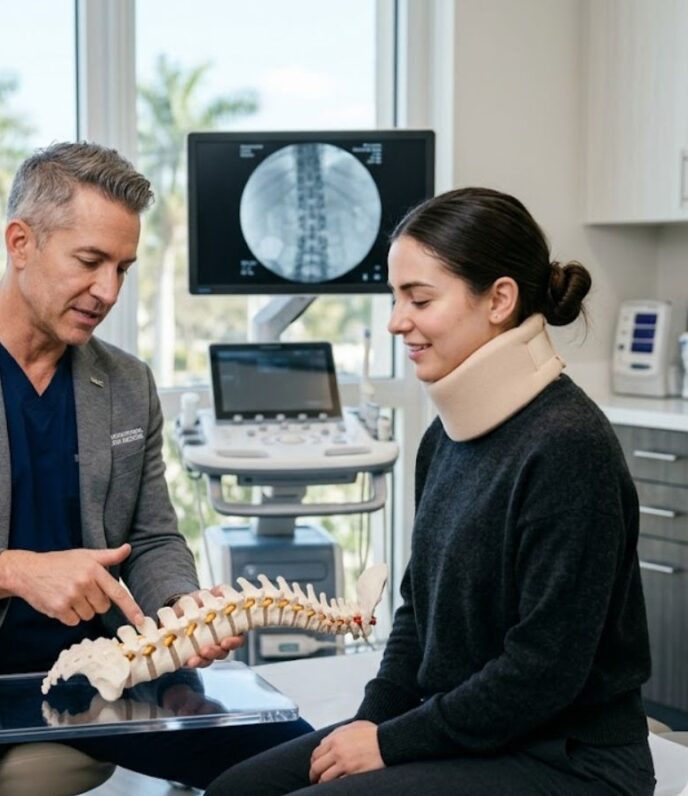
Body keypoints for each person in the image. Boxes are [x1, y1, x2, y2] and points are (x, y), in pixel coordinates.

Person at [0, 142, 311, 796]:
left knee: (308, 764)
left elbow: (153, 537)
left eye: (122, 268)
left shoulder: (128, 383)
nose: (108, 291)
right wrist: (19, 571)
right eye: (89, 261)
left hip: (107, 672)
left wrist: (179, 608)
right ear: (20, 243)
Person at [206, 187, 656, 796]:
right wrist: (371, 721)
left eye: (418, 299)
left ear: (499, 299)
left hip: (570, 759)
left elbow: (544, 670)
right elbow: (417, 613)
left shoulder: (569, 448)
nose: (397, 321)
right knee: (235, 790)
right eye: (395, 298)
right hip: (470, 732)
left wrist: (390, 745)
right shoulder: (445, 438)